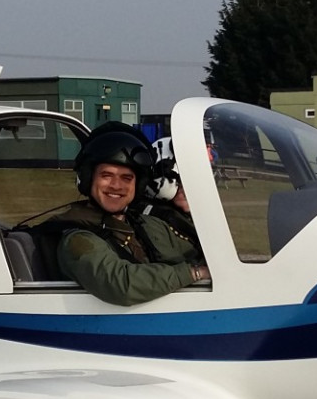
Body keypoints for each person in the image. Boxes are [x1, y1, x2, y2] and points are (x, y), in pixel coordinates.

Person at [43, 125, 206, 305]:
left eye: (126, 178)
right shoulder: (78, 239)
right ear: (89, 178)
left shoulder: (147, 224)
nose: (116, 185)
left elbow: (193, 251)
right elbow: (121, 284)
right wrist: (195, 273)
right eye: (106, 175)